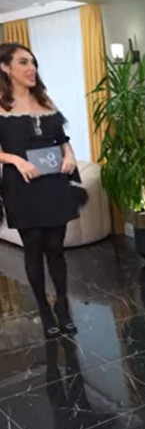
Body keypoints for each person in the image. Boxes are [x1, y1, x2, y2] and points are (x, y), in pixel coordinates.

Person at [0, 43, 85, 339]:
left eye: (33, 62)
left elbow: (62, 138)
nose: (31, 68)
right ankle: (44, 309)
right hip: (22, 186)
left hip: (53, 183)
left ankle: (62, 305)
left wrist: (69, 155)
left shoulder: (45, 100)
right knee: (33, 248)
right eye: (23, 62)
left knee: (56, 248)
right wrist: (15, 160)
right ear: (5, 68)